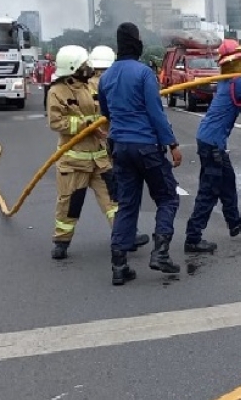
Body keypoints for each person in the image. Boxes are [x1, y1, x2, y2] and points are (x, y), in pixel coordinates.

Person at [98, 23, 182, 286]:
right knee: (167, 197)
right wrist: (172, 143)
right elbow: (156, 113)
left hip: (120, 147)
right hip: (146, 146)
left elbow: (106, 114)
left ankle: (119, 265)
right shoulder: (144, 73)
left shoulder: (106, 77)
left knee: (127, 204)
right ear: (135, 42)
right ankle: (161, 253)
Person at [184, 39, 241, 254]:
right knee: (209, 190)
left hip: (210, 139)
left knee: (227, 181)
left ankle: (234, 222)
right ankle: (193, 238)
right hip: (212, 142)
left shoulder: (229, 81)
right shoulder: (237, 82)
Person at [46, 45, 118, 261]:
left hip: (100, 157)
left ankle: (124, 235)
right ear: (74, 68)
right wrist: (87, 124)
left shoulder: (93, 85)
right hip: (74, 160)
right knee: (69, 204)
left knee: (114, 200)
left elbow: (104, 110)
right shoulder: (56, 92)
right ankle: (62, 241)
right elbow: (56, 122)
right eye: (85, 64)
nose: (89, 67)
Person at [88, 45, 150, 251]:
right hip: (99, 152)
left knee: (70, 202)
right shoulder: (112, 81)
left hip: (100, 152)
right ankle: (124, 241)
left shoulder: (86, 86)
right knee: (117, 198)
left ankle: (62, 242)